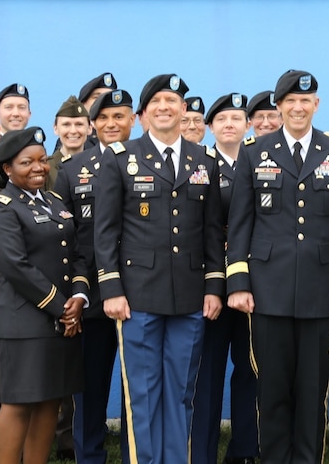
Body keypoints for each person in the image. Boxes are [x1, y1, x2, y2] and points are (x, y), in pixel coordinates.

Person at [226, 69, 329, 463]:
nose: (299, 107)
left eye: (306, 101)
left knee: (312, 393)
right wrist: (238, 282)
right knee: (271, 392)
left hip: (321, 295)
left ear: (316, 105)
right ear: (280, 106)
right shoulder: (254, 152)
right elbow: (240, 224)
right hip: (267, 292)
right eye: (291, 101)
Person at [94, 74, 225, 464]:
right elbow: (105, 231)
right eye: (157, 102)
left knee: (182, 390)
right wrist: (112, 289)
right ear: (143, 113)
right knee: (144, 393)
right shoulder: (120, 159)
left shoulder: (204, 160)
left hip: (190, 295)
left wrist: (214, 287)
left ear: (184, 110)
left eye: (173, 101)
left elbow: (212, 230)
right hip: (137, 296)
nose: (165, 107)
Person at [0, 126, 86, 464]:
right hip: (25, 323)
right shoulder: (1, 207)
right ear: (7, 169)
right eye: (27, 162)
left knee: (50, 402)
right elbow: (16, 266)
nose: (39, 168)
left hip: (62, 321)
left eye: (42, 161)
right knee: (18, 404)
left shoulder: (55, 202)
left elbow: (78, 253)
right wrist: (62, 309)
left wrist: (79, 299)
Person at [53, 88, 136, 464]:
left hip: (141, 292)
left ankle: (140, 453)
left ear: (132, 120)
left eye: (119, 116)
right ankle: (89, 456)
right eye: (102, 118)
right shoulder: (72, 170)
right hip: (92, 296)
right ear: (92, 124)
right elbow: (65, 239)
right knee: (89, 386)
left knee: (140, 386)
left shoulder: (148, 160)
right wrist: (78, 290)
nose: (111, 124)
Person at [191, 93, 258, 464]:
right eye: (222, 119)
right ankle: (201, 453)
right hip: (211, 286)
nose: (229, 124)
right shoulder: (199, 164)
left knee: (250, 372)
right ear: (210, 127)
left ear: (248, 126)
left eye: (237, 118)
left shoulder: (261, 163)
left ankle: (244, 452)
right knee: (208, 377)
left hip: (253, 285)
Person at [47, 96, 90, 188]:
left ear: (89, 129)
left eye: (79, 124)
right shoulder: (46, 168)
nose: (73, 131)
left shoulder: (99, 165)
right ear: (55, 129)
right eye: (66, 125)